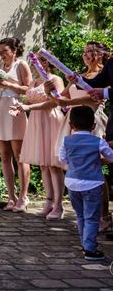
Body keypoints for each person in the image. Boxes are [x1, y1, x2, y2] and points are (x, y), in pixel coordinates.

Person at [47, 42, 110, 229]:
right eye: (84, 52)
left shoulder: (104, 75)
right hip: (72, 122)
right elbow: (62, 101)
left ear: (100, 55)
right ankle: (86, 215)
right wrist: (49, 91)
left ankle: (104, 216)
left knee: (95, 166)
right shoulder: (78, 77)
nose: (86, 55)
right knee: (76, 167)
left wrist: (66, 100)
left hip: (93, 121)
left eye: (90, 51)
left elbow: (93, 97)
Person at [13, 53, 64, 218]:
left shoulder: (55, 79)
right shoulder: (34, 82)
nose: (36, 65)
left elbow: (56, 102)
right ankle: (48, 202)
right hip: (36, 122)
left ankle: (58, 205)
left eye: (40, 61)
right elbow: (29, 101)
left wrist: (29, 108)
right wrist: (20, 107)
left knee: (53, 164)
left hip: (51, 120)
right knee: (43, 164)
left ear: (47, 63)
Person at [59, 106, 113, 261]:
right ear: (94, 125)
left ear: (70, 125)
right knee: (92, 217)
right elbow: (110, 157)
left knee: (81, 215)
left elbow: (62, 159)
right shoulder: (98, 142)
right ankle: (90, 249)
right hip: (92, 183)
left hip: (72, 182)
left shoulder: (66, 141)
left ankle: (85, 243)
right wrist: (99, 160)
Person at [0, 37, 32, 212]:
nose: (2, 55)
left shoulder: (21, 65)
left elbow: (28, 89)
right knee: (5, 156)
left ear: (14, 50)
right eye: (0, 52)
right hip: (0, 109)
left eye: (5, 51)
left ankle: (24, 196)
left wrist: (7, 83)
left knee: (20, 155)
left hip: (15, 110)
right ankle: (11, 197)